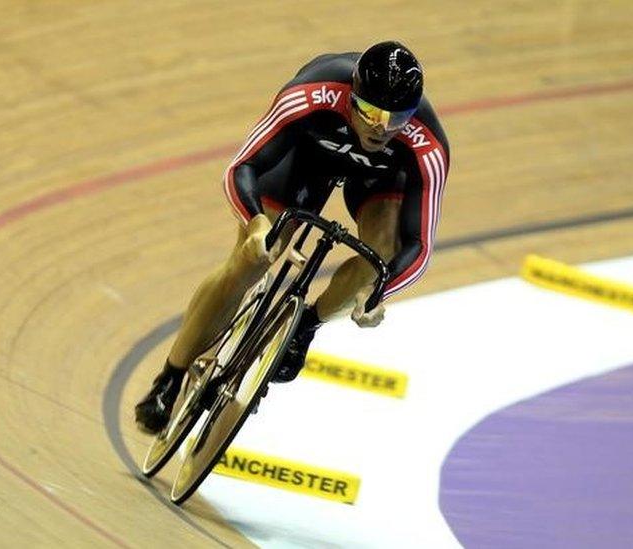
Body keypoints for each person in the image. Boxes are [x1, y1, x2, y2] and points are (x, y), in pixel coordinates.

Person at [135, 41, 450, 434]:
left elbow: (418, 246)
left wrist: (377, 293)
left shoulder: (427, 144)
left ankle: (304, 325)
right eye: (370, 112)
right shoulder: (311, 94)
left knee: (380, 257)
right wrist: (256, 225)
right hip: (303, 156)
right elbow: (242, 166)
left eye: (395, 118)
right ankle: (171, 375)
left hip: (379, 179)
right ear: (351, 95)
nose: (380, 128)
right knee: (253, 258)